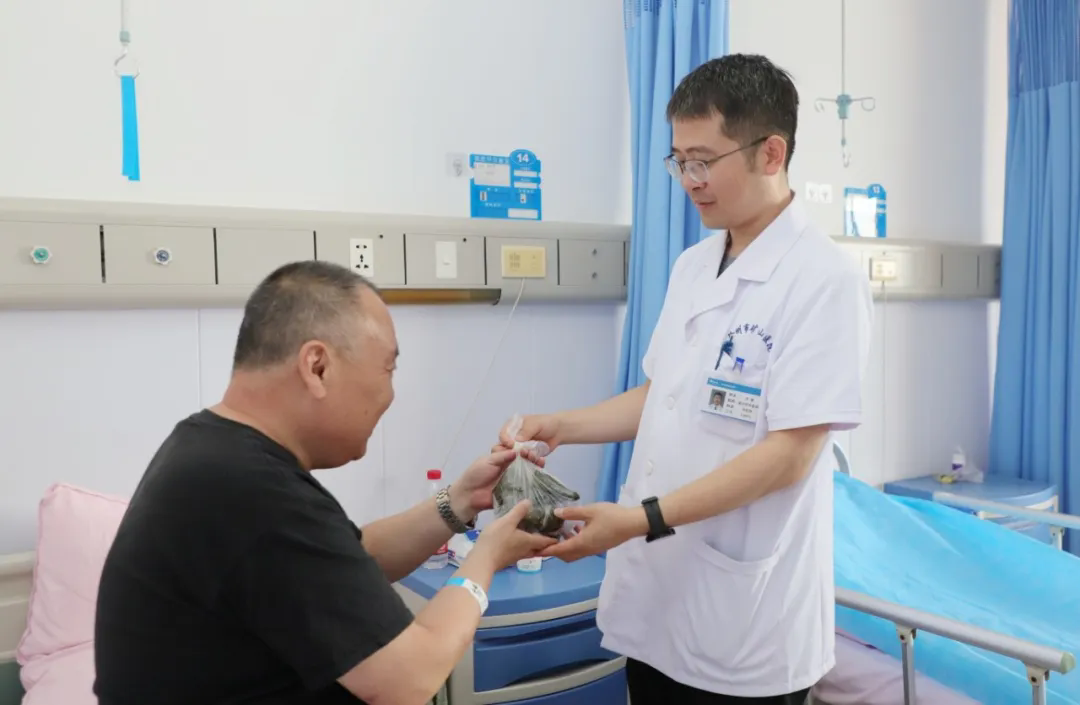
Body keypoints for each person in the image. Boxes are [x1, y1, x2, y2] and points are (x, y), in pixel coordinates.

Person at [494, 54, 874, 704]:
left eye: (703, 161)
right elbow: (664, 394)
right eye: (679, 162)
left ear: (771, 153)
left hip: (746, 624)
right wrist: (561, 425)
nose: (690, 181)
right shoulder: (693, 265)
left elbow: (790, 455)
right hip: (658, 605)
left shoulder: (824, 280)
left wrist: (640, 519)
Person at [93, 260, 557, 705]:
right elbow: (409, 680)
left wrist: (460, 500)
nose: (390, 396)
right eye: (388, 369)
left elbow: (348, 560)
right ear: (317, 366)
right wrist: (487, 557)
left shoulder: (208, 449)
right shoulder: (252, 491)